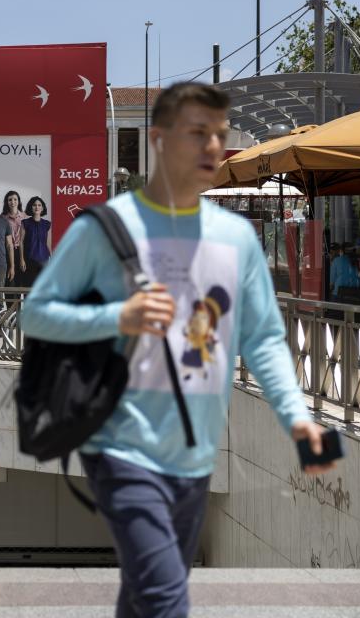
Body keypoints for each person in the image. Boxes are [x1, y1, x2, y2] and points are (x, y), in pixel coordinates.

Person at [19, 83, 335, 618]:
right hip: (121, 448)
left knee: (144, 598)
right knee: (167, 599)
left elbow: (262, 338)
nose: (214, 146)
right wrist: (117, 317)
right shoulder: (108, 229)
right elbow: (37, 313)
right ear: (159, 140)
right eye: (198, 134)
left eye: (218, 133)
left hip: (196, 457)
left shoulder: (235, 238)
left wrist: (298, 419)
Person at [19, 196, 51, 287]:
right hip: (29, 260)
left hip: (44, 260)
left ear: (42, 208)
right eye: (34, 205)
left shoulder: (47, 224)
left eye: (39, 205)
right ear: (31, 207)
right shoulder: (25, 222)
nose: (37, 207)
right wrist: (22, 259)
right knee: (28, 288)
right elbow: (20, 241)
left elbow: (48, 243)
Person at [1, 190, 25, 287]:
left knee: (22, 280)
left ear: (18, 201)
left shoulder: (25, 217)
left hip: (22, 251)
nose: (12, 202)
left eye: (15, 199)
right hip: (7, 251)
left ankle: (20, 302)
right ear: (7, 202)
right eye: (10, 200)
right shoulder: (2, 218)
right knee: (10, 280)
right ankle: (10, 302)